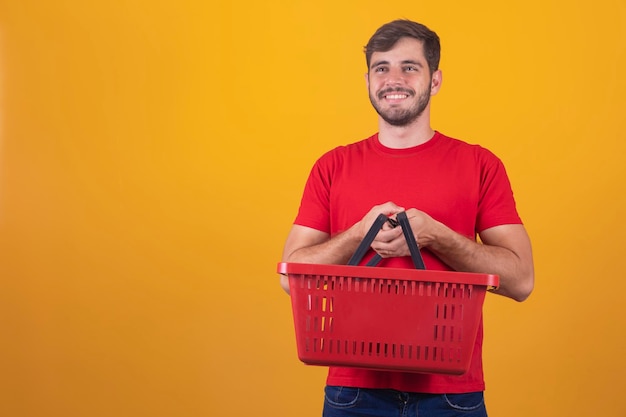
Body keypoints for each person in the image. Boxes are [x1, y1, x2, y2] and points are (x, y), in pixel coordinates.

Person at [279, 19, 534, 417]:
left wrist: (436, 236)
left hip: (451, 395)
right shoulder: (332, 167)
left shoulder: (480, 165)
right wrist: (360, 232)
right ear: (367, 80)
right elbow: (289, 276)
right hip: (353, 393)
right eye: (382, 68)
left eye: (409, 67)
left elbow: (521, 280)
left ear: (435, 80)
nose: (393, 79)